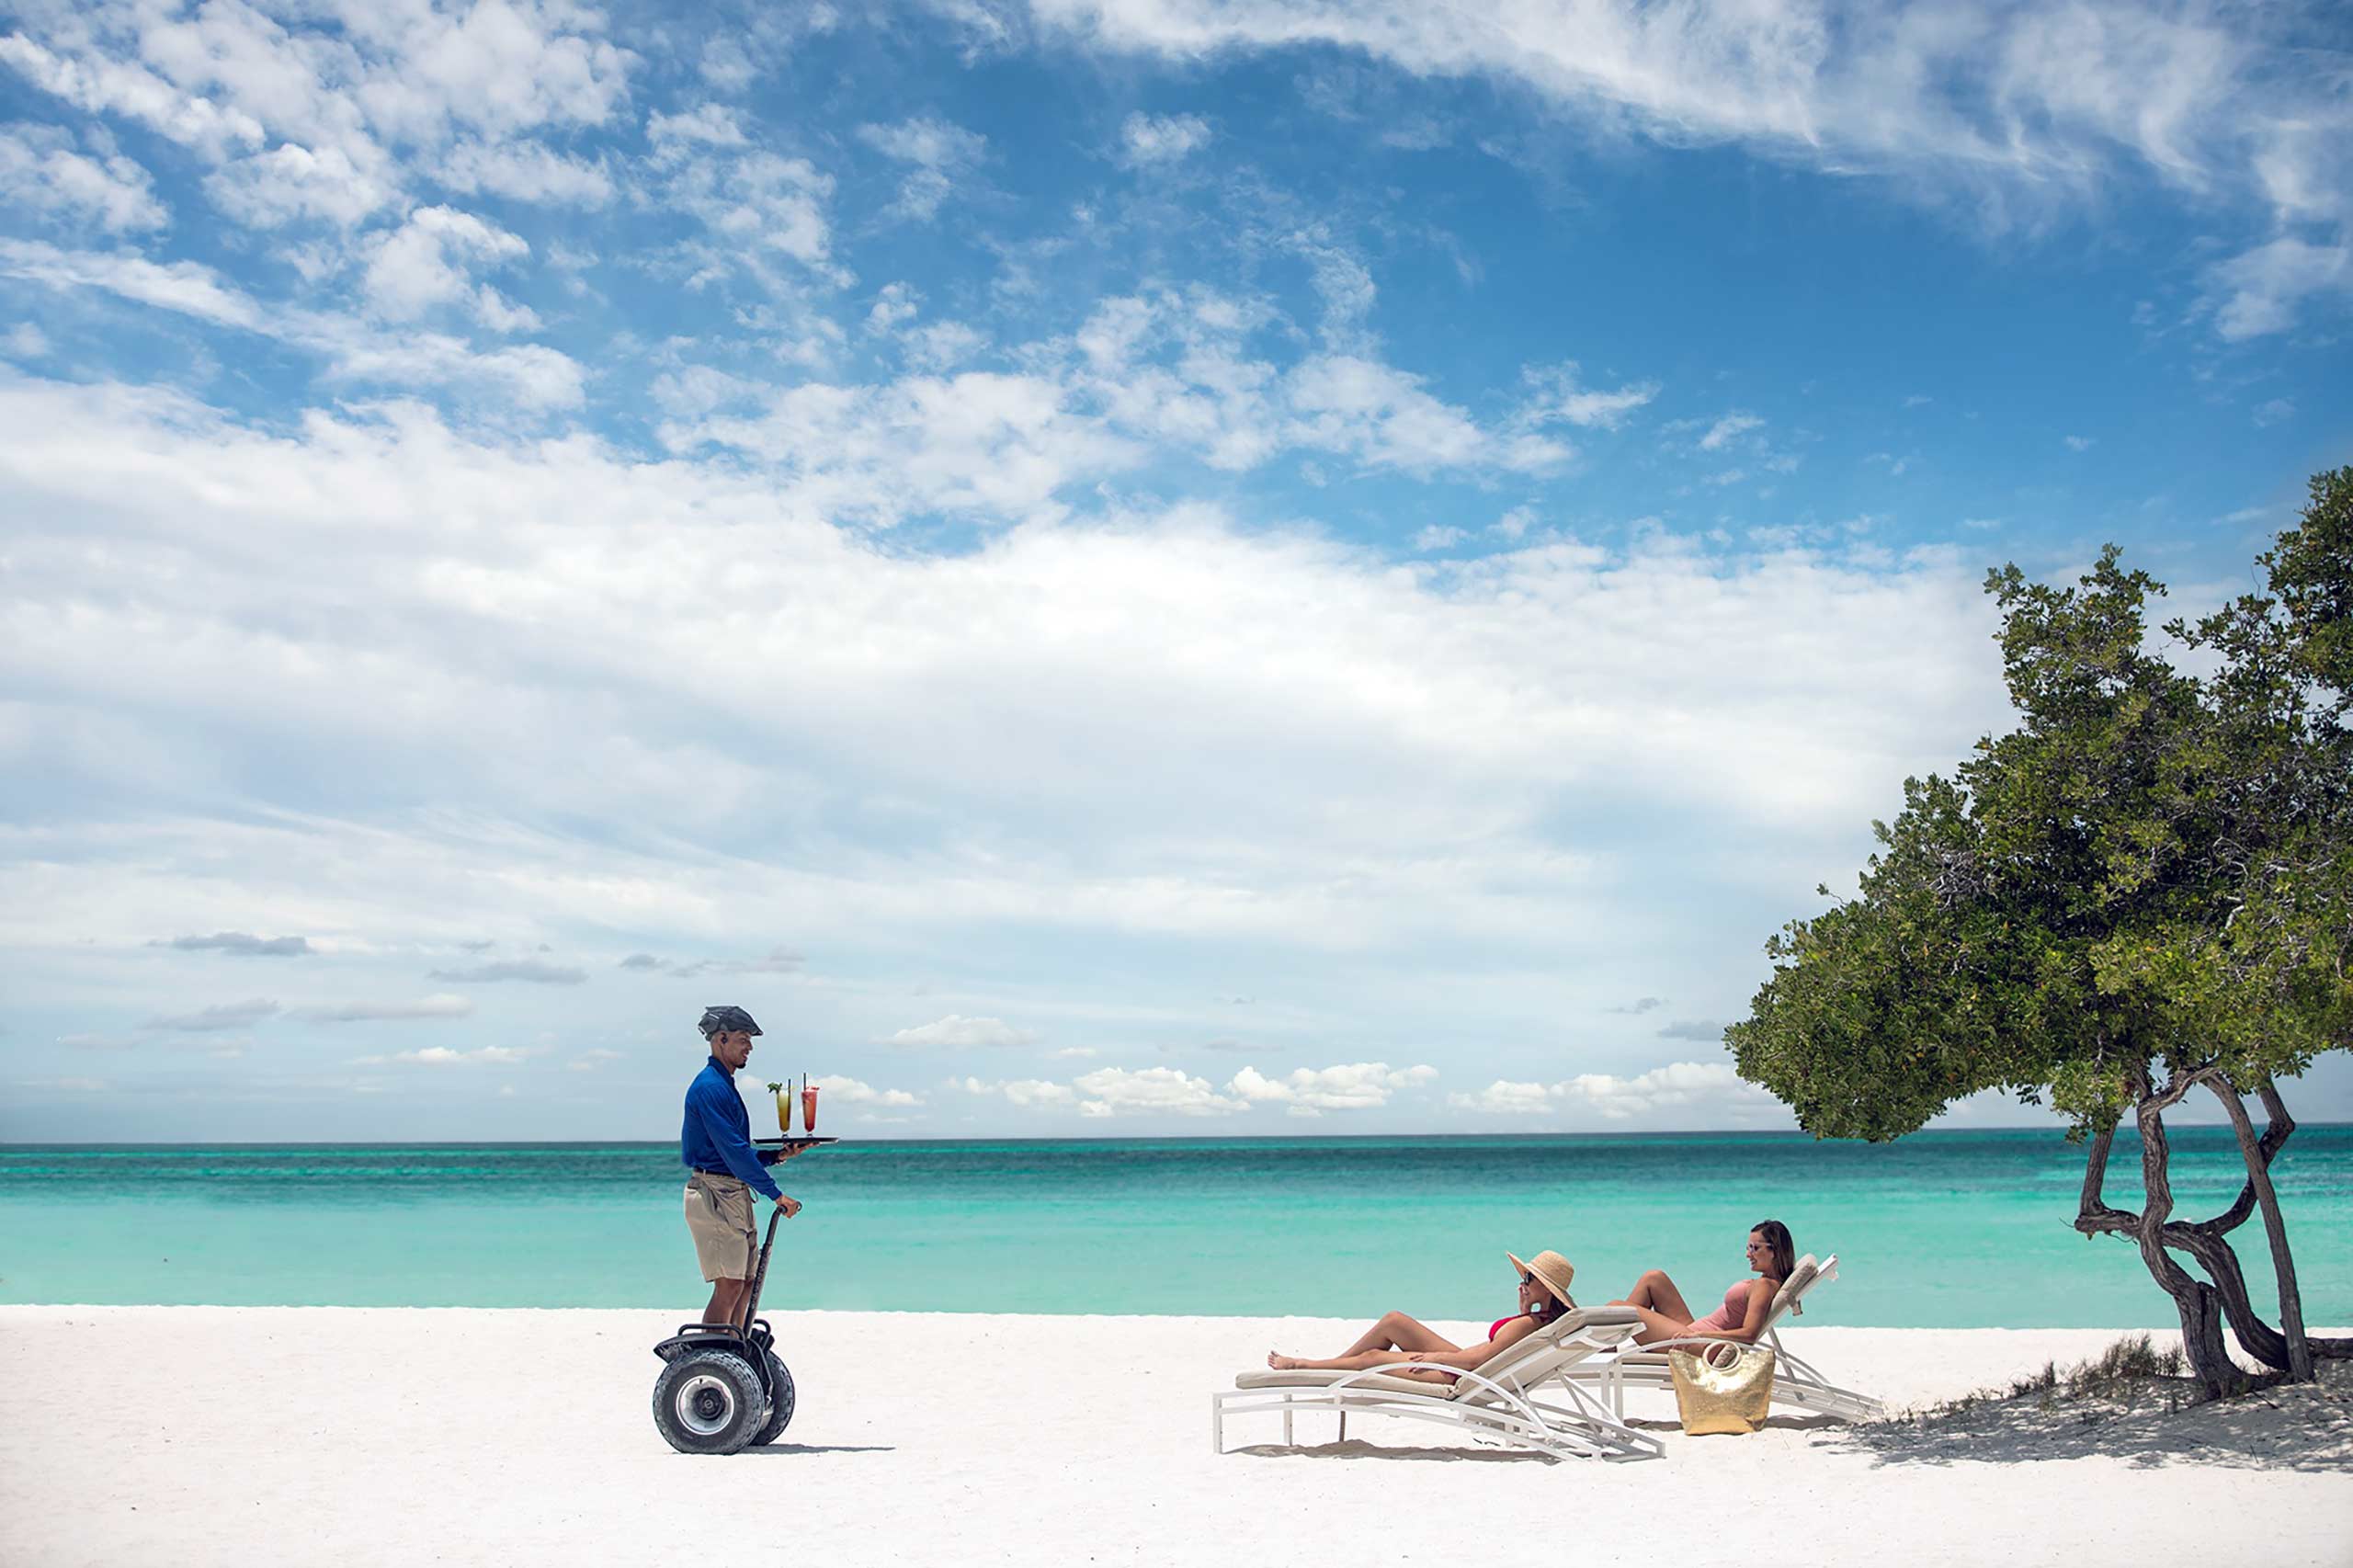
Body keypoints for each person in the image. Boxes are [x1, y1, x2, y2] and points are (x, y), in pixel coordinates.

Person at [1265, 1250, 1578, 1385]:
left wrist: (1433, 1358)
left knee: (1375, 1356)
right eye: (1525, 1275)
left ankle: (1306, 1365)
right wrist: (1523, 1310)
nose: (1523, 1281)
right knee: (1394, 1320)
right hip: (1470, 1365)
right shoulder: (1538, 1321)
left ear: (1547, 1289)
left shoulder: (1529, 1324)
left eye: (1529, 1278)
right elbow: (1502, 1352)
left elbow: (1476, 1361)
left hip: (1462, 1374)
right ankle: (1336, 1367)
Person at [680, 1005, 804, 1329]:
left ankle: (734, 1350)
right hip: (714, 1194)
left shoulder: (723, 1085)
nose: (749, 1046)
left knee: (746, 1283)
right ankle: (712, 1357)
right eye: (743, 1039)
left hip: (731, 1190)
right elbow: (734, 1153)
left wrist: (778, 1156)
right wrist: (776, 1195)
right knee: (730, 1284)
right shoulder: (710, 1088)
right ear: (721, 1039)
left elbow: (735, 1154)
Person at [1612, 1220, 1795, 1346]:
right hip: (1692, 1333)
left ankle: (1606, 1351)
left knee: (1616, 1308)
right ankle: (1610, 1344)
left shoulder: (1764, 1286)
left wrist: (1700, 1335)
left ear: (1774, 1251)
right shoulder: (1765, 1282)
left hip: (1697, 1344)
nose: (1748, 1254)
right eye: (1748, 1247)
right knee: (1653, 1278)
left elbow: (1749, 1334)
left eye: (1755, 1248)